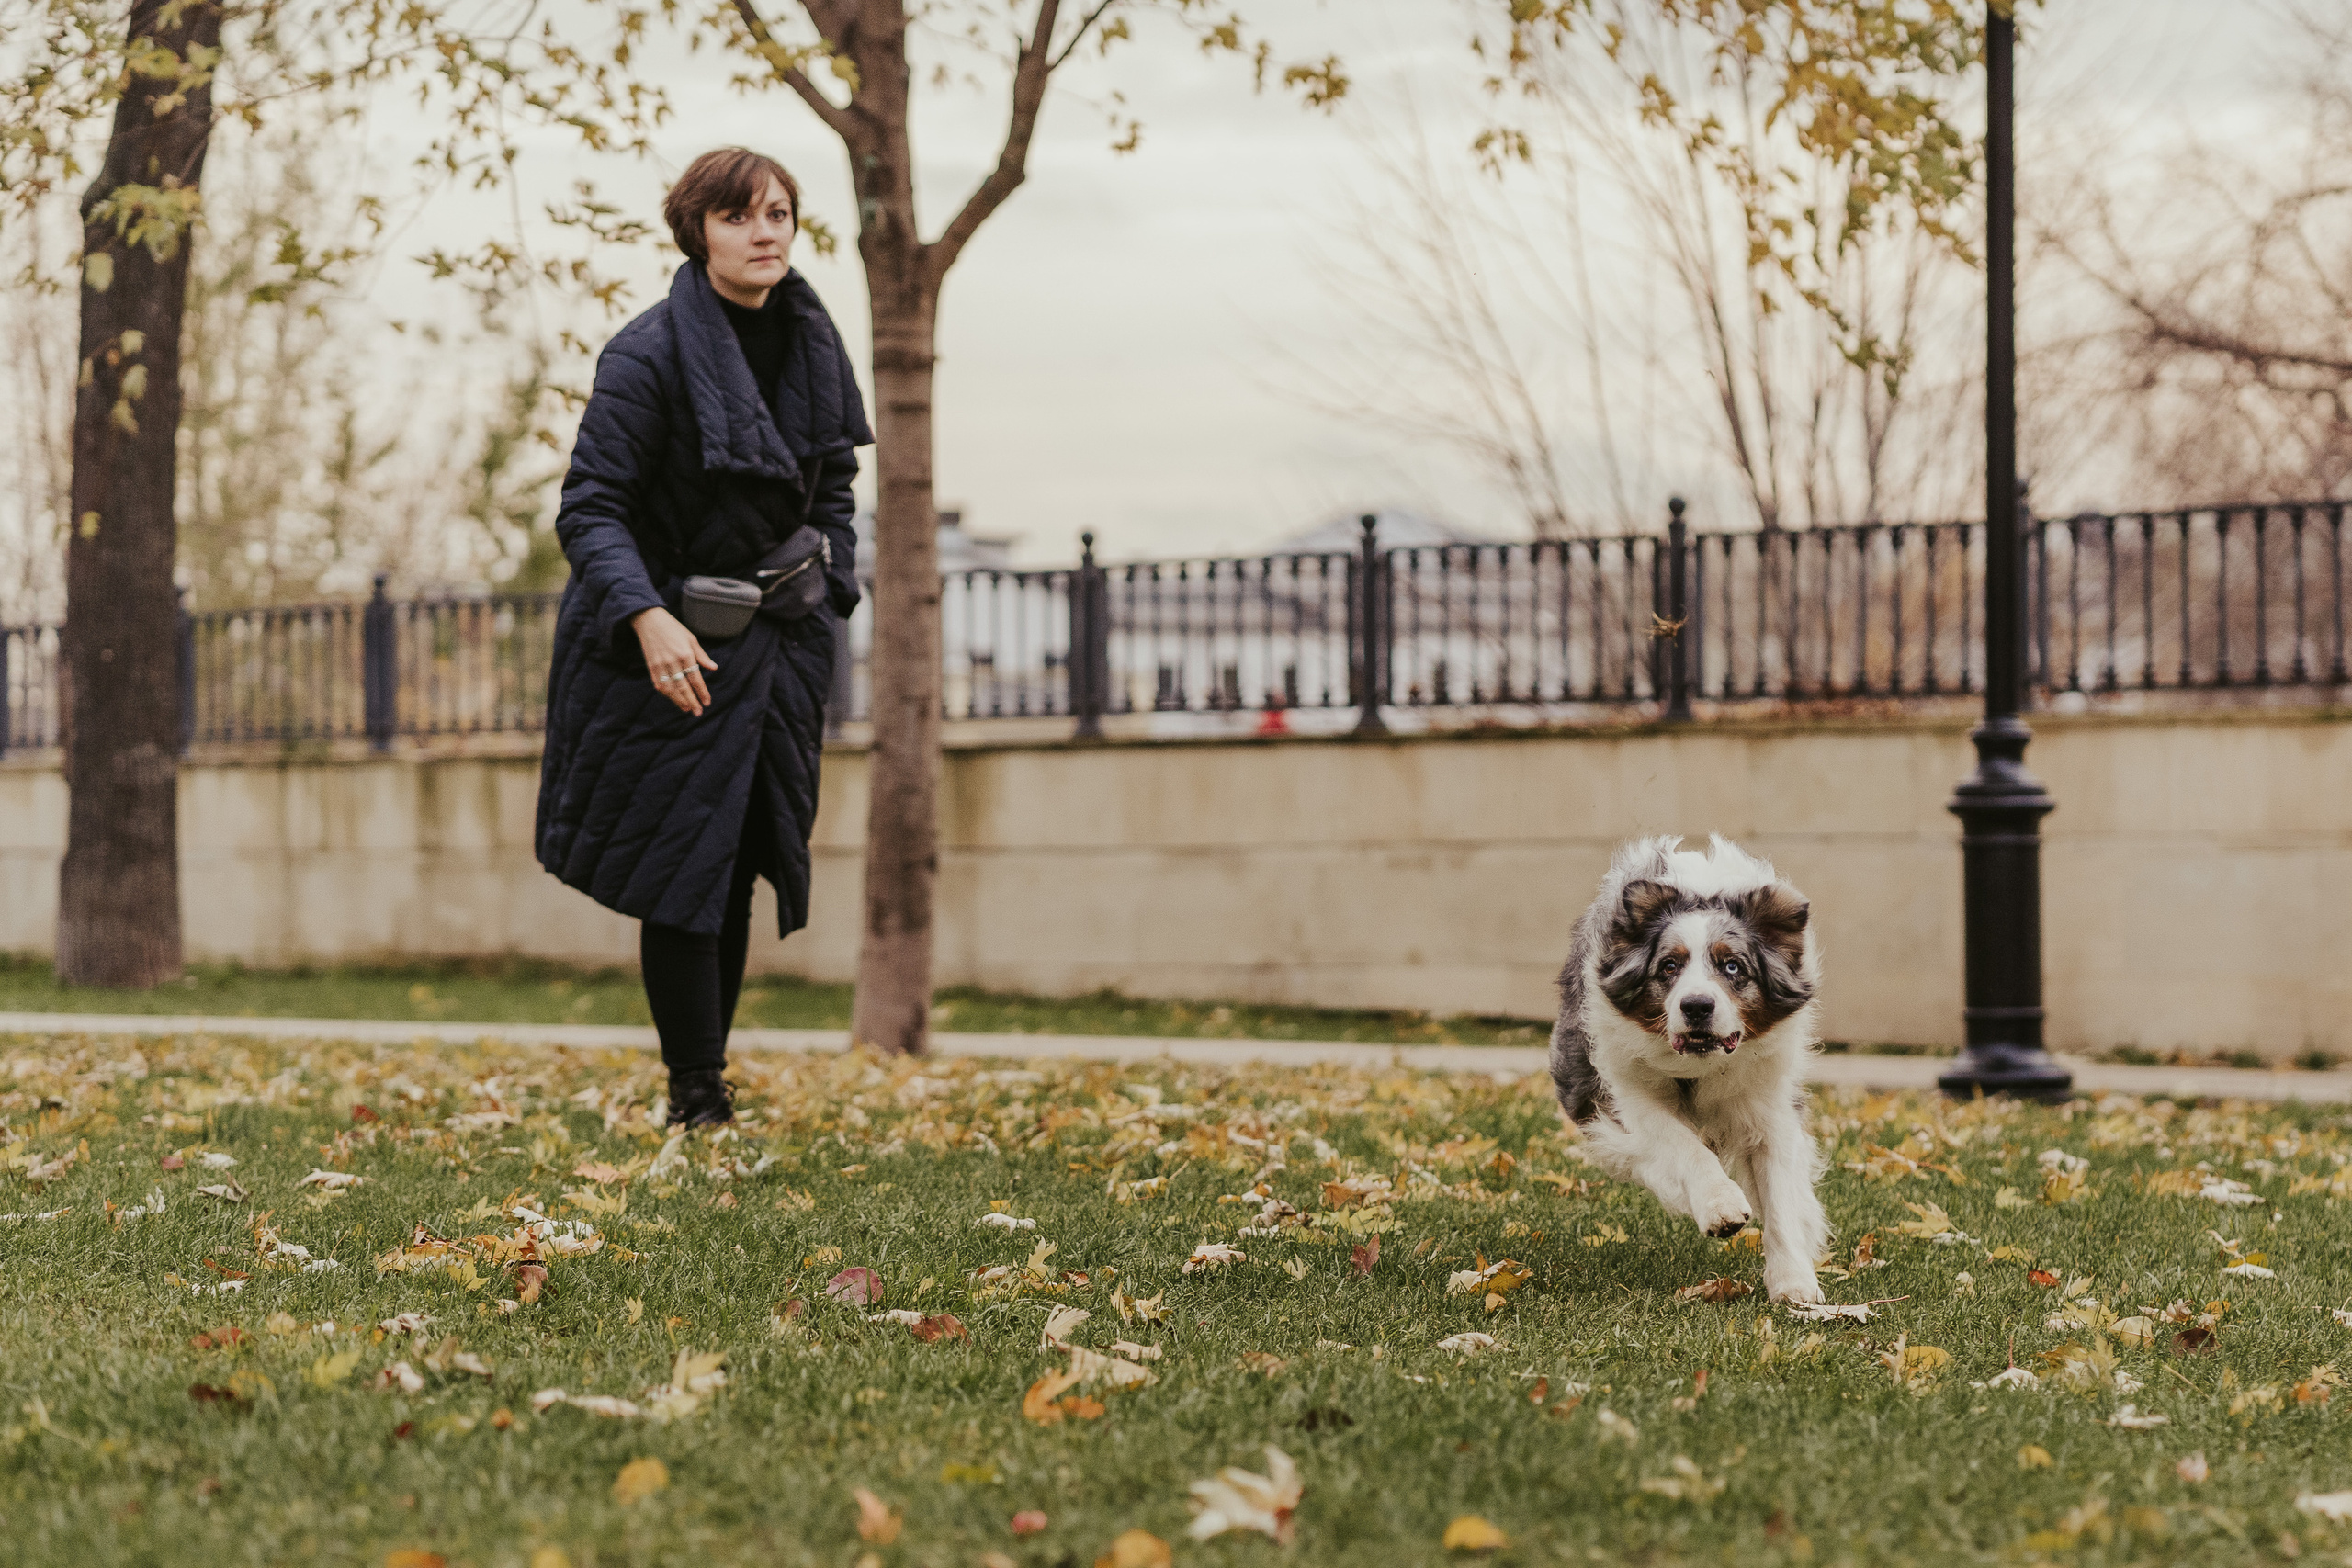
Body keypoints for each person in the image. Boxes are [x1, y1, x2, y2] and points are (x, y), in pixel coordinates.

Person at [535, 148, 870, 1127]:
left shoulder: (811, 338)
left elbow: (836, 482)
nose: (764, 233)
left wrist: (831, 578)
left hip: (772, 645)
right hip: (661, 646)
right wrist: (650, 619)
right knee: (683, 865)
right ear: (697, 232)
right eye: (737, 217)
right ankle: (696, 1096)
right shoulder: (646, 355)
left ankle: (704, 1085)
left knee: (733, 862)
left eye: (778, 214)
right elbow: (591, 509)